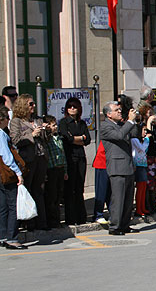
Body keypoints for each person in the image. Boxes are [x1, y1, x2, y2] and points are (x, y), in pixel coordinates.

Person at [10, 93, 49, 230]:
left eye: (33, 103)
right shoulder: (16, 121)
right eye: (30, 104)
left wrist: (46, 130)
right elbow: (15, 140)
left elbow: (45, 139)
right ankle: (29, 222)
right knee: (29, 189)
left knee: (39, 190)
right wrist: (31, 135)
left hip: (41, 157)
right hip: (28, 159)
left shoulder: (37, 119)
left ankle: (42, 222)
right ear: (23, 105)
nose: (33, 106)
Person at [100, 101, 140, 236]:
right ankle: (115, 226)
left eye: (120, 110)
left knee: (128, 199)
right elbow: (119, 136)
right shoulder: (105, 126)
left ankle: (124, 224)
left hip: (128, 165)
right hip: (117, 166)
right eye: (116, 110)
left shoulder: (122, 124)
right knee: (118, 198)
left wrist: (133, 121)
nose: (119, 112)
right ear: (108, 114)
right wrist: (129, 121)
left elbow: (134, 133)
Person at [58, 97, 91, 225]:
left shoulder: (82, 123)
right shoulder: (64, 122)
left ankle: (81, 217)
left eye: (75, 107)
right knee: (69, 188)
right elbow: (68, 138)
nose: (72, 109)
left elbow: (87, 139)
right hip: (69, 157)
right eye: (70, 107)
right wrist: (79, 138)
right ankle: (70, 218)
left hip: (81, 157)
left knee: (79, 188)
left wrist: (77, 138)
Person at [0, 105, 24, 248]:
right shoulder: (1, 134)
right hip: (6, 172)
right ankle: (12, 238)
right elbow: (7, 157)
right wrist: (18, 173)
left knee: (2, 206)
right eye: (7, 118)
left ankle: (2, 235)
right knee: (12, 206)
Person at [43, 115, 67, 228]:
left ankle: (57, 219)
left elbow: (63, 155)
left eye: (55, 125)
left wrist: (65, 171)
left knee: (58, 195)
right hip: (51, 169)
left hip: (60, 168)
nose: (55, 127)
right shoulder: (48, 140)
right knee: (51, 196)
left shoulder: (59, 138)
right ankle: (51, 220)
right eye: (53, 125)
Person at [132, 119, 150, 217]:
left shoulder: (140, 141)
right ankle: (138, 209)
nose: (145, 132)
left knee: (143, 187)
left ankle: (142, 207)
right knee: (140, 187)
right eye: (143, 130)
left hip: (143, 164)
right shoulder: (134, 140)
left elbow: (145, 150)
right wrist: (147, 139)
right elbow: (142, 148)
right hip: (138, 165)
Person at [92, 140, 110, 224]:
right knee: (101, 191)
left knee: (110, 192)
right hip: (102, 163)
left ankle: (113, 213)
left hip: (110, 165)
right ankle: (98, 214)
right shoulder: (109, 133)